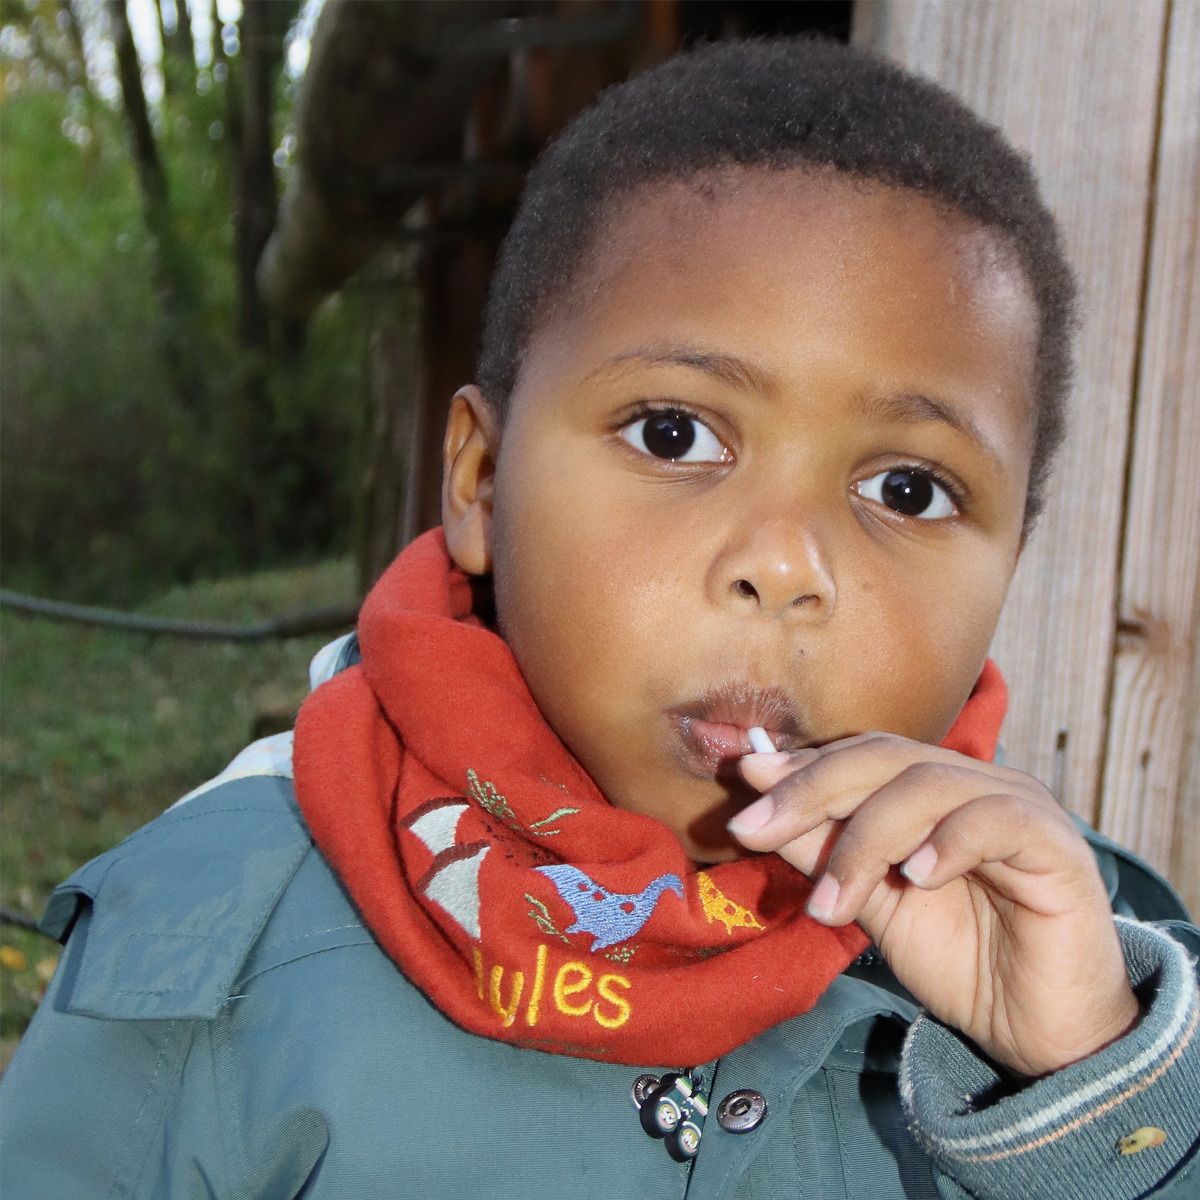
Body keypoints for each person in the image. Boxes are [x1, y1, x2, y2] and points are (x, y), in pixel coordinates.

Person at [2, 37, 1197, 1200]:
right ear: (479, 480)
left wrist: (1089, 1093)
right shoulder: (219, 948)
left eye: (909, 490)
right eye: (675, 433)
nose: (784, 567)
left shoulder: (1092, 971)